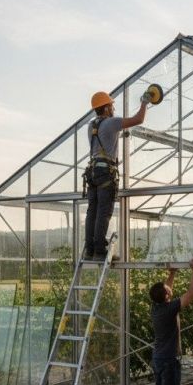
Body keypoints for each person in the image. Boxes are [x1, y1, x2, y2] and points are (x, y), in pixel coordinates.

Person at [83, 90, 147, 261]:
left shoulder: (91, 125)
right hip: (105, 173)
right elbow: (138, 119)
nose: (113, 108)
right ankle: (99, 250)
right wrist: (145, 102)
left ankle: (89, 249)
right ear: (105, 108)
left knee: (93, 210)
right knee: (104, 211)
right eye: (111, 105)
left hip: (93, 172)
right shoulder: (111, 123)